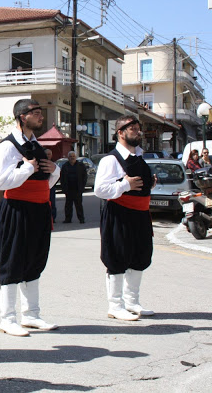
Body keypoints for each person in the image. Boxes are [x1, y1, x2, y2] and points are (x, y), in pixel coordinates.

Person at [0, 99, 60, 337]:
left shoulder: (35, 144)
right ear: (22, 116)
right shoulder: (7, 147)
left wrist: (55, 171)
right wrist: (27, 169)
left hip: (39, 210)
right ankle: (8, 318)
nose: (41, 117)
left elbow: (46, 181)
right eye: (36, 113)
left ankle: (31, 314)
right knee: (12, 262)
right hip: (16, 209)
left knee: (35, 261)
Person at [95, 115, 156, 321]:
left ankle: (132, 302)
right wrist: (124, 185)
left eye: (138, 128)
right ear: (120, 133)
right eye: (132, 129)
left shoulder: (139, 156)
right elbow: (100, 190)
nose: (137, 132)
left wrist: (150, 185)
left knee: (140, 256)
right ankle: (115, 305)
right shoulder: (110, 160)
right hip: (119, 214)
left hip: (140, 214)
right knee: (117, 258)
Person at [60, 151, 87, 224]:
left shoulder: (81, 165)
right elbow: (62, 178)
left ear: (76, 157)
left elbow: (84, 177)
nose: (72, 158)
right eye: (70, 156)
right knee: (68, 205)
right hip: (68, 189)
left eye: (73, 156)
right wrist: (64, 188)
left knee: (79, 205)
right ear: (68, 158)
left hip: (78, 189)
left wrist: (82, 186)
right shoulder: (65, 166)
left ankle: (81, 219)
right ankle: (68, 219)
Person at [44, 149, 57, 222]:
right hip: (43, 187)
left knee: (52, 203)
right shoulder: (41, 163)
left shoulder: (54, 164)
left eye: (49, 154)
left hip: (51, 187)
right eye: (46, 154)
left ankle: (53, 218)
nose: (48, 156)